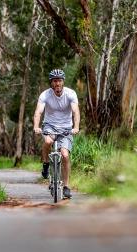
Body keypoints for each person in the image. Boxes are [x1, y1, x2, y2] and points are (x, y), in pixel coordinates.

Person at [33, 69, 80, 198]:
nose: (57, 83)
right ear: (51, 83)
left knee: (65, 155)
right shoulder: (45, 95)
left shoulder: (71, 94)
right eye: (54, 81)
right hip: (49, 126)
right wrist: (36, 126)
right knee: (48, 141)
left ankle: (66, 186)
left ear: (63, 82)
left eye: (59, 80)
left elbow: (75, 111)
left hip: (66, 129)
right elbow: (38, 112)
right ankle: (46, 164)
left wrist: (76, 127)